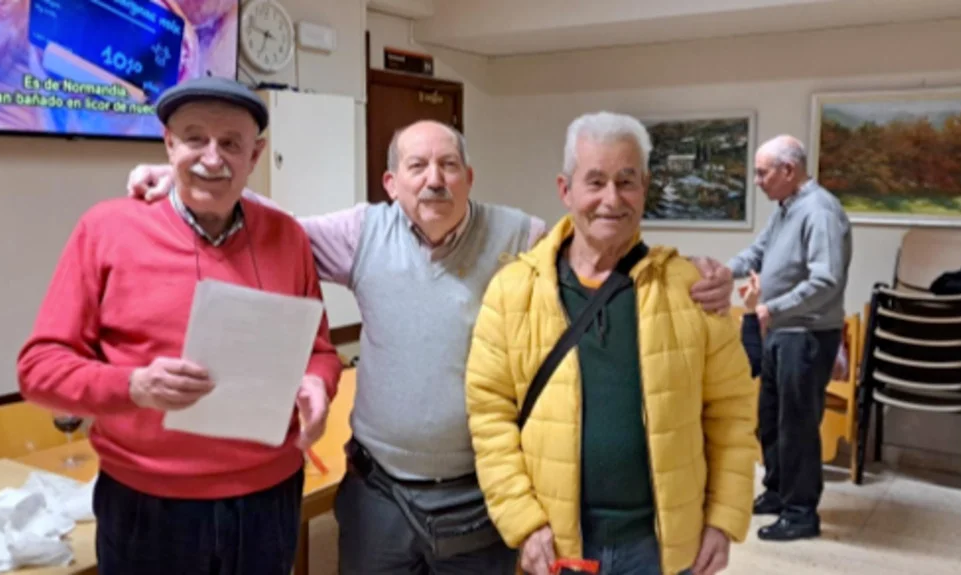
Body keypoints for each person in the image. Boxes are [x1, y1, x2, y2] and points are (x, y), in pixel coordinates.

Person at [125, 119, 737, 573]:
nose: (435, 179)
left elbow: (604, 240)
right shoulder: (363, 232)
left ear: (470, 177)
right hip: (380, 492)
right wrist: (196, 181)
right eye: (417, 166)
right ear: (391, 183)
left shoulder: (519, 236)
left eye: (449, 165)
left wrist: (697, 275)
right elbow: (275, 228)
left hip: (480, 498)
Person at [16, 76, 345, 575]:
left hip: (268, 499)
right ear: (169, 144)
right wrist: (133, 386)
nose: (212, 159)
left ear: (254, 155)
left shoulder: (287, 237)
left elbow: (319, 350)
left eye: (230, 143)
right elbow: (39, 369)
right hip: (148, 503)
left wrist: (319, 383)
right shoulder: (106, 229)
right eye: (195, 139)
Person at [465, 111, 758, 575]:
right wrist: (523, 522)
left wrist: (723, 519)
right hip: (559, 547)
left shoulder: (692, 289)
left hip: (662, 548)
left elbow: (732, 415)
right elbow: (489, 416)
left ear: (645, 188)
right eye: (595, 181)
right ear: (565, 190)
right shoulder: (513, 291)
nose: (611, 199)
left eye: (626, 181)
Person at [727, 134, 852, 542]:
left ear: (788, 170)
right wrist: (718, 272)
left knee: (797, 425)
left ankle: (801, 513)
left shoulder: (819, 211)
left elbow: (826, 280)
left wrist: (772, 308)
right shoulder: (786, 209)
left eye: (762, 173)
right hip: (780, 331)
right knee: (771, 419)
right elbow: (756, 254)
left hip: (807, 334)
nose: (757, 181)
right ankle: (778, 492)